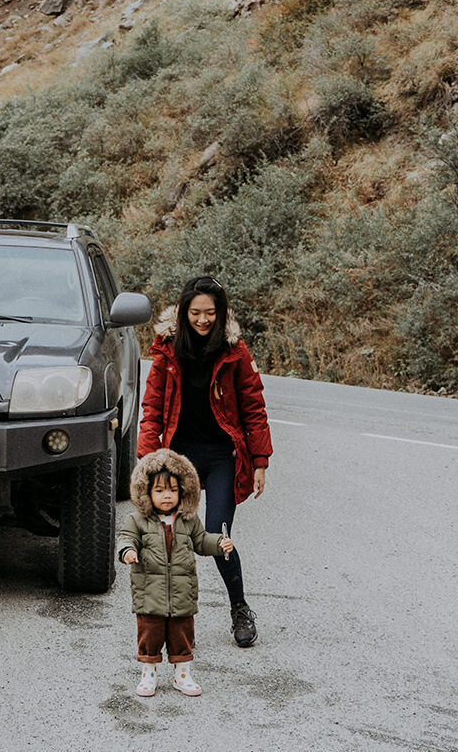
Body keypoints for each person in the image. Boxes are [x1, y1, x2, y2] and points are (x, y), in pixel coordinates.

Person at [137, 274, 273, 648]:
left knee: (216, 535)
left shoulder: (234, 352)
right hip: (178, 460)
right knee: (167, 540)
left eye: (210, 312)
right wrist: (147, 459)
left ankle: (240, 609)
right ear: (184, 313)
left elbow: (253, 408)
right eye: (195, 312)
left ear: (221, 312)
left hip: (221, 458)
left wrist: (259, 460)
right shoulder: (167, 351)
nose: (202, 320)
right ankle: (171, 619)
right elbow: (151, 408)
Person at [118, 448, 233, 697]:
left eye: (172, 490)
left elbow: (201, 541)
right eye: (159, 491)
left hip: (182, 593)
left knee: (182, 634)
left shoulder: (188, 520)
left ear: (183, 491)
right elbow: (126, 538)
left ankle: (183, 675)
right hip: (149, 593)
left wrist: (219, 543)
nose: (166, 496)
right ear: (147, 492)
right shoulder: (137, 520)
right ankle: (148, 674)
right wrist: (127, 551)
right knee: (150, 634)